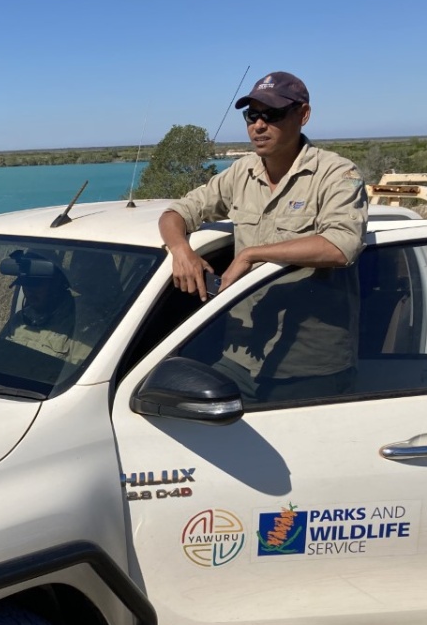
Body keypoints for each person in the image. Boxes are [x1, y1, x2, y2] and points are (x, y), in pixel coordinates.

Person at [157, 71, 369, 401]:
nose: (258, 125)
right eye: (252, 115)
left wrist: (252, 254)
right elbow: (177, 213)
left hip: (308, 368)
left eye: (272, 115)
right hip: (239, 358)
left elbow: (342, 245)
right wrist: (180, 249)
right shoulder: (242, 172)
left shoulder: (336, 174)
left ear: (303, 115)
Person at [1, 252, 90, 364]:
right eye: (25, 283)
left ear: (57, 282)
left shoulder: (80, 328)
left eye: (36, 283)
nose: (29, 290)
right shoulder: (19, 320)